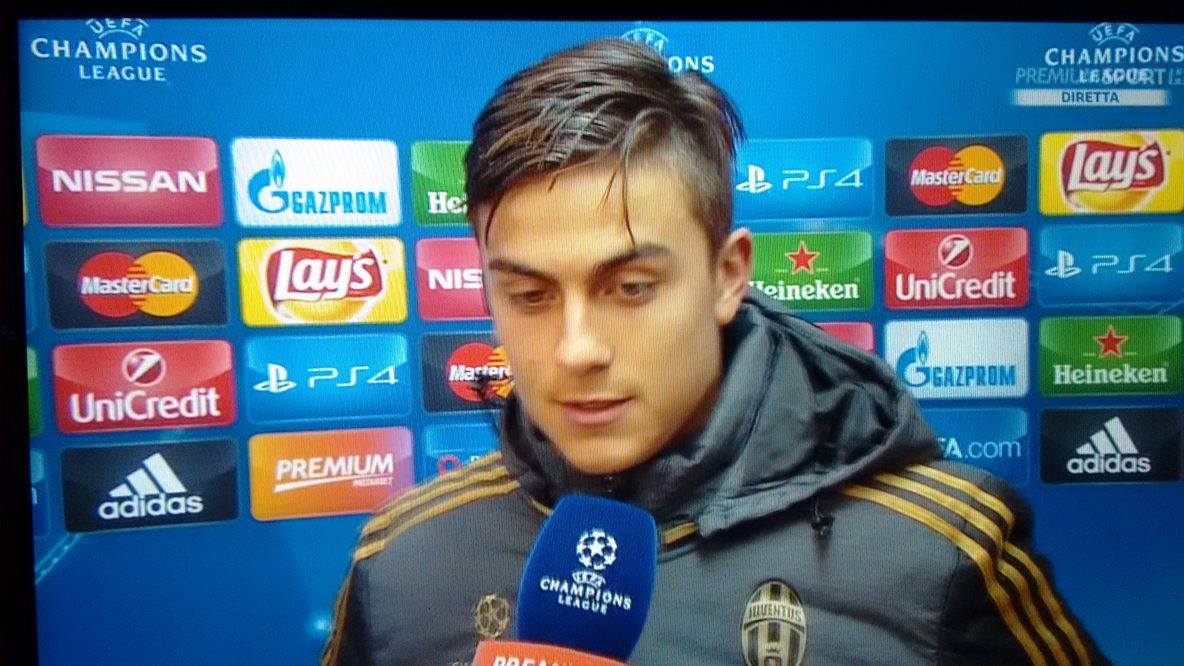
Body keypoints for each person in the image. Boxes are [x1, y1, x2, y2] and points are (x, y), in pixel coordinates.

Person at [322, 38, 1107, 665]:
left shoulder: (939, 553)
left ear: (728, 275)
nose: (576, 349)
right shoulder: (405, 562)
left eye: (631, 288)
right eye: (529, 295)